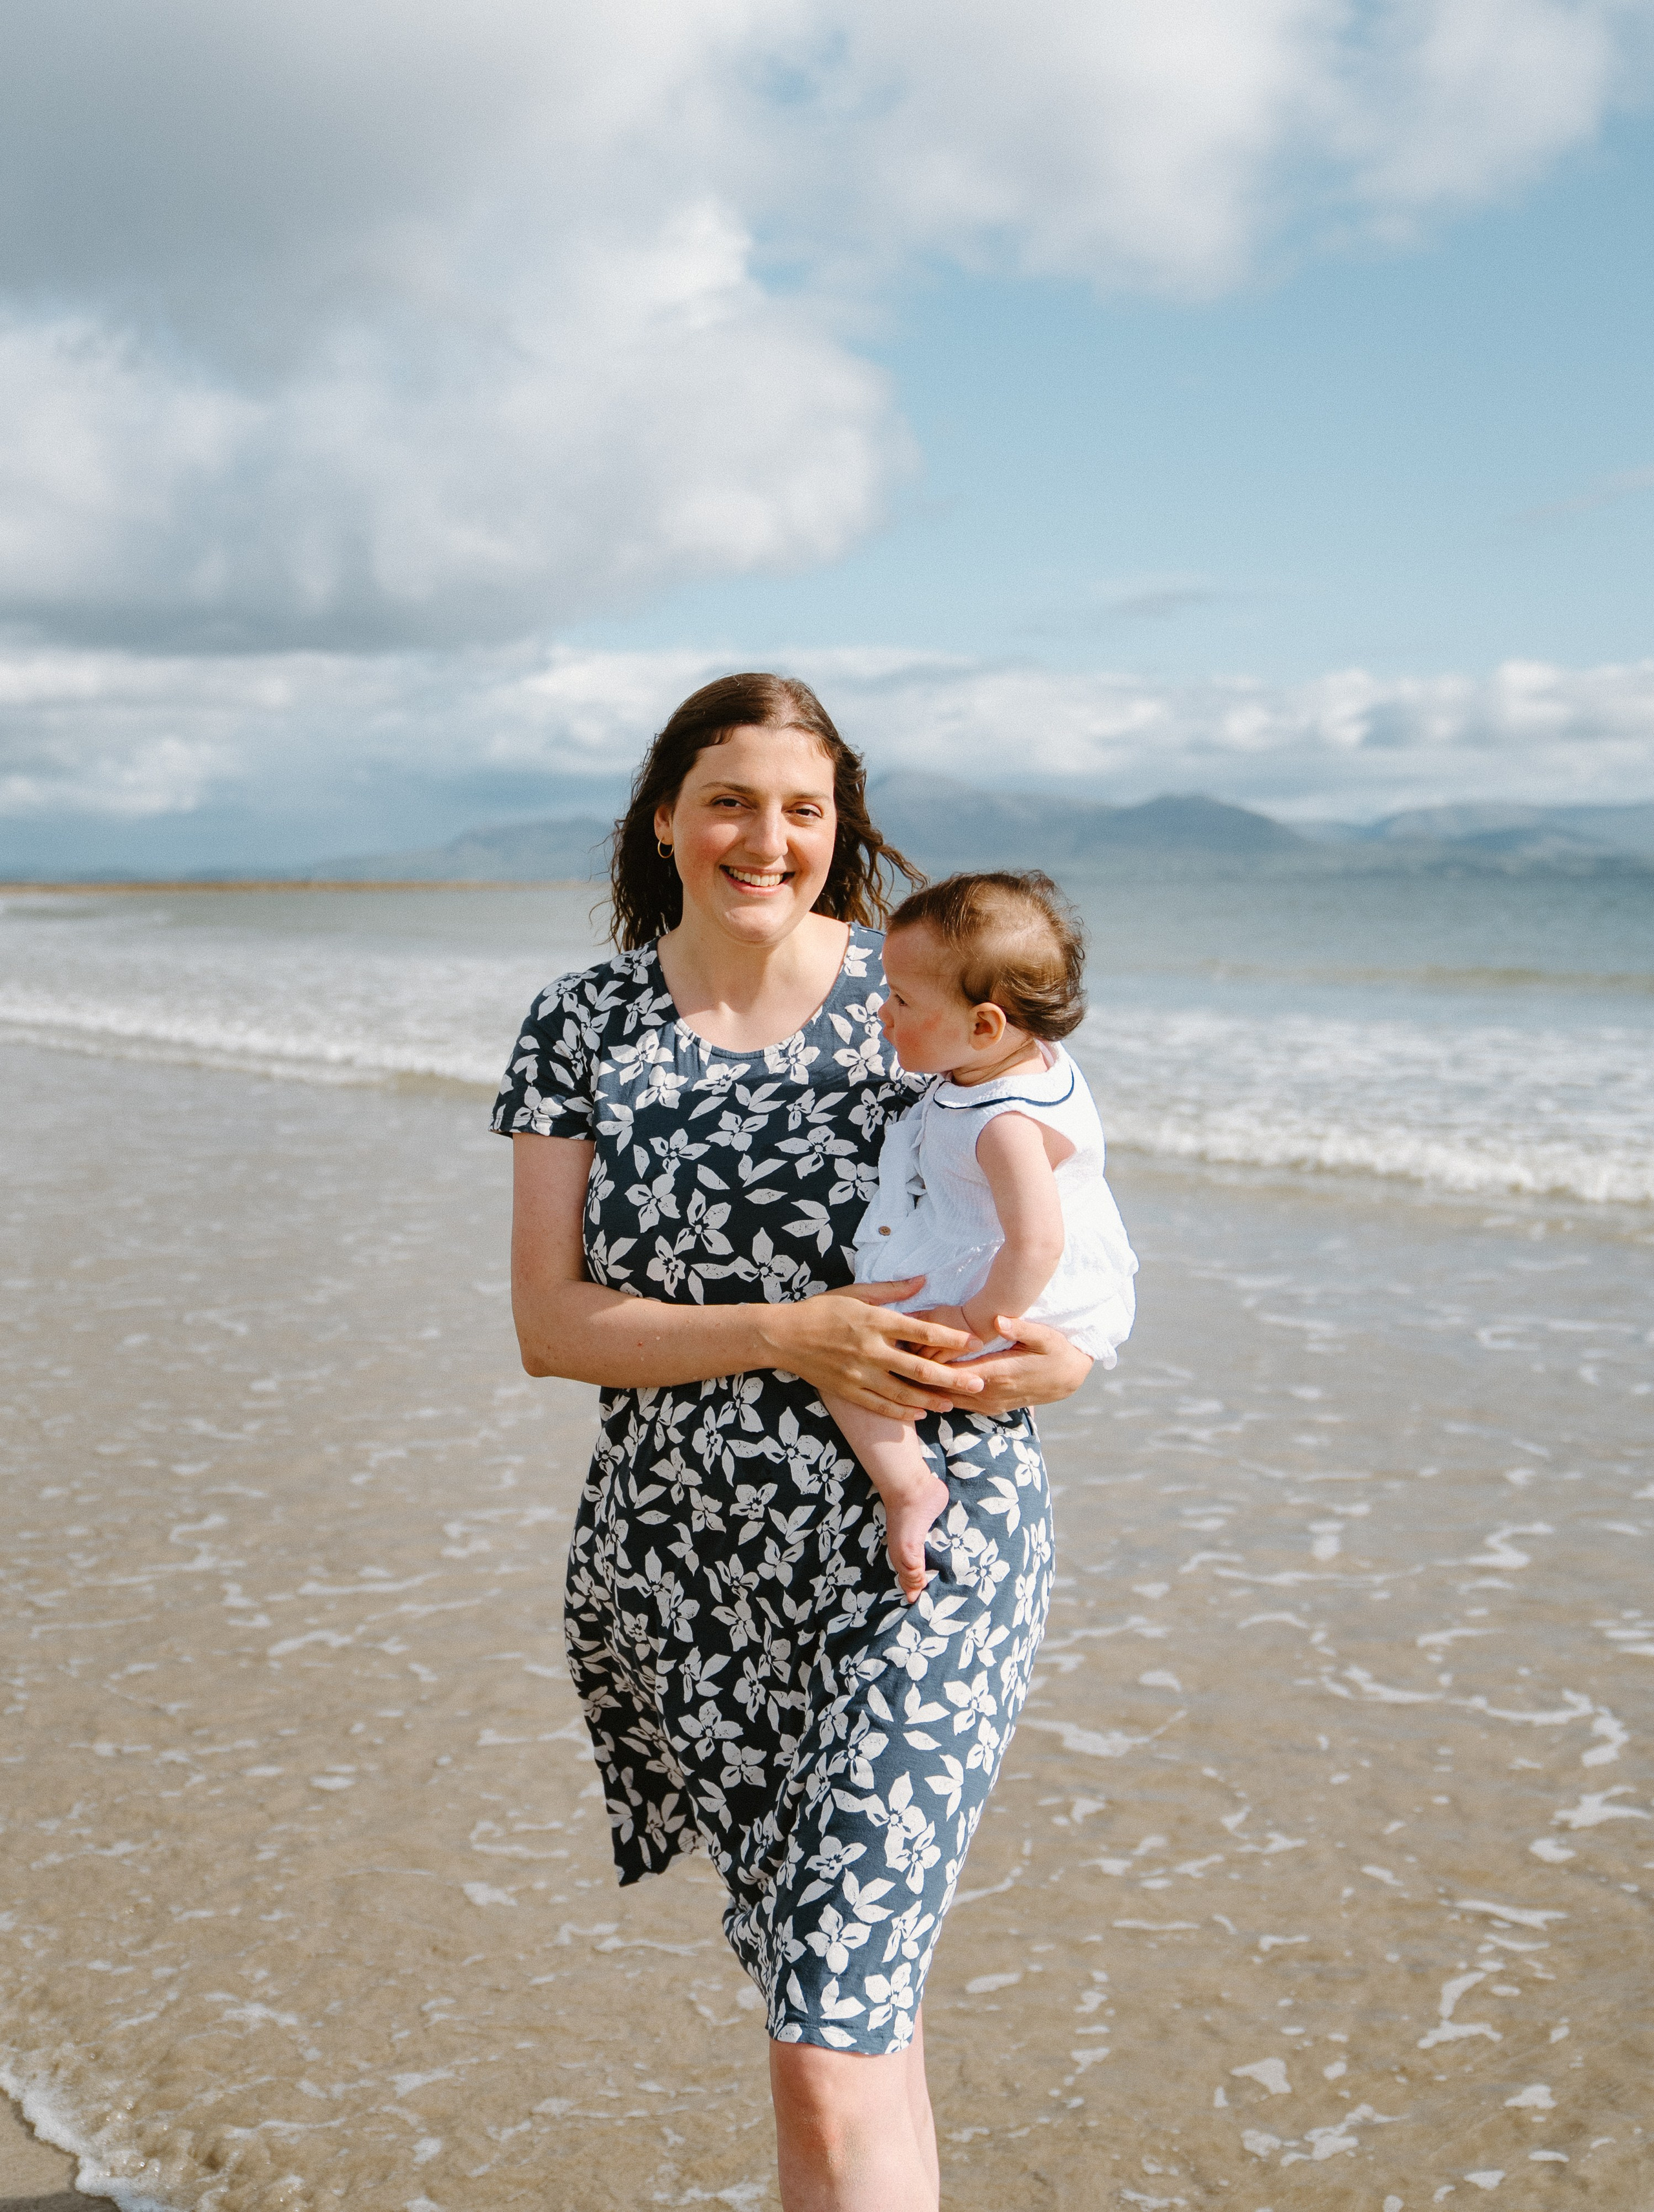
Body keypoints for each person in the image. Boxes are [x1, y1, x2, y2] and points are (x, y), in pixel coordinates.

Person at [494, 673, 1094, 2212]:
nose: (766, 839)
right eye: (729, 802)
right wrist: (787, 1329)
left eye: (802, 809)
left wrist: (1068, 1359)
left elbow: (1067, 1222)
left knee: (826, 2035)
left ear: (840, 828)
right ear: (664, 819)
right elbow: (551, 1325)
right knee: (846, 2018)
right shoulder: (582, 1022)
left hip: (919, 1541)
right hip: (687, 1565)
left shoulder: (917, 993)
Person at [823, 872, 1137, 1602]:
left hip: (1004, 1284)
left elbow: (1037, 1243)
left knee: (846, 1358)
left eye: (902, 1001)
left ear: (987, 1026)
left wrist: (972, 1319)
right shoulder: (1021, 1059)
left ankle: (908, 1486)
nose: (882, 1013)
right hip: (1016, 1266)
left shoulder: (1004, 1125)